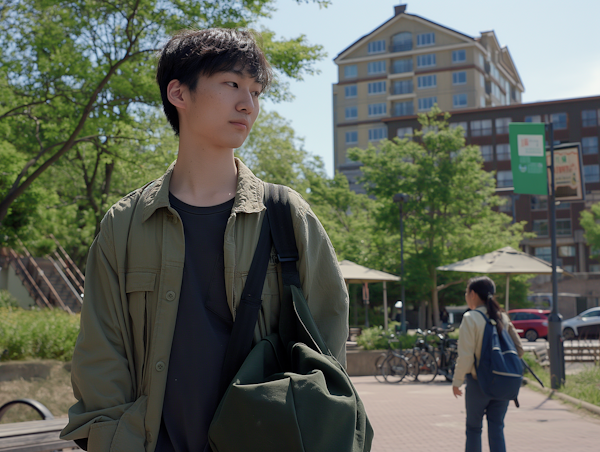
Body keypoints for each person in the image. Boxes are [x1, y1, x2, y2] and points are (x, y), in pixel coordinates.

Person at [60, 28, 349, 452]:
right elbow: (100, 355)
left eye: (255, 90)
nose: (247, 104)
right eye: (232, 84)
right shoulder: (123, 226)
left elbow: (327, 341)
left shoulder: (287, 215)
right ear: (179, 93)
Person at [452, 276, 524, 452]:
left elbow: (466, 357)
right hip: (502, 382)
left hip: (479, 384)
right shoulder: (502, 317)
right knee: (497, 428)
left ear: (473, 294)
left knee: (474, 429)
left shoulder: (470, 318)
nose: (466, 296)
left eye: (466, 292)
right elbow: (519, 349)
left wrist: (457, 382)